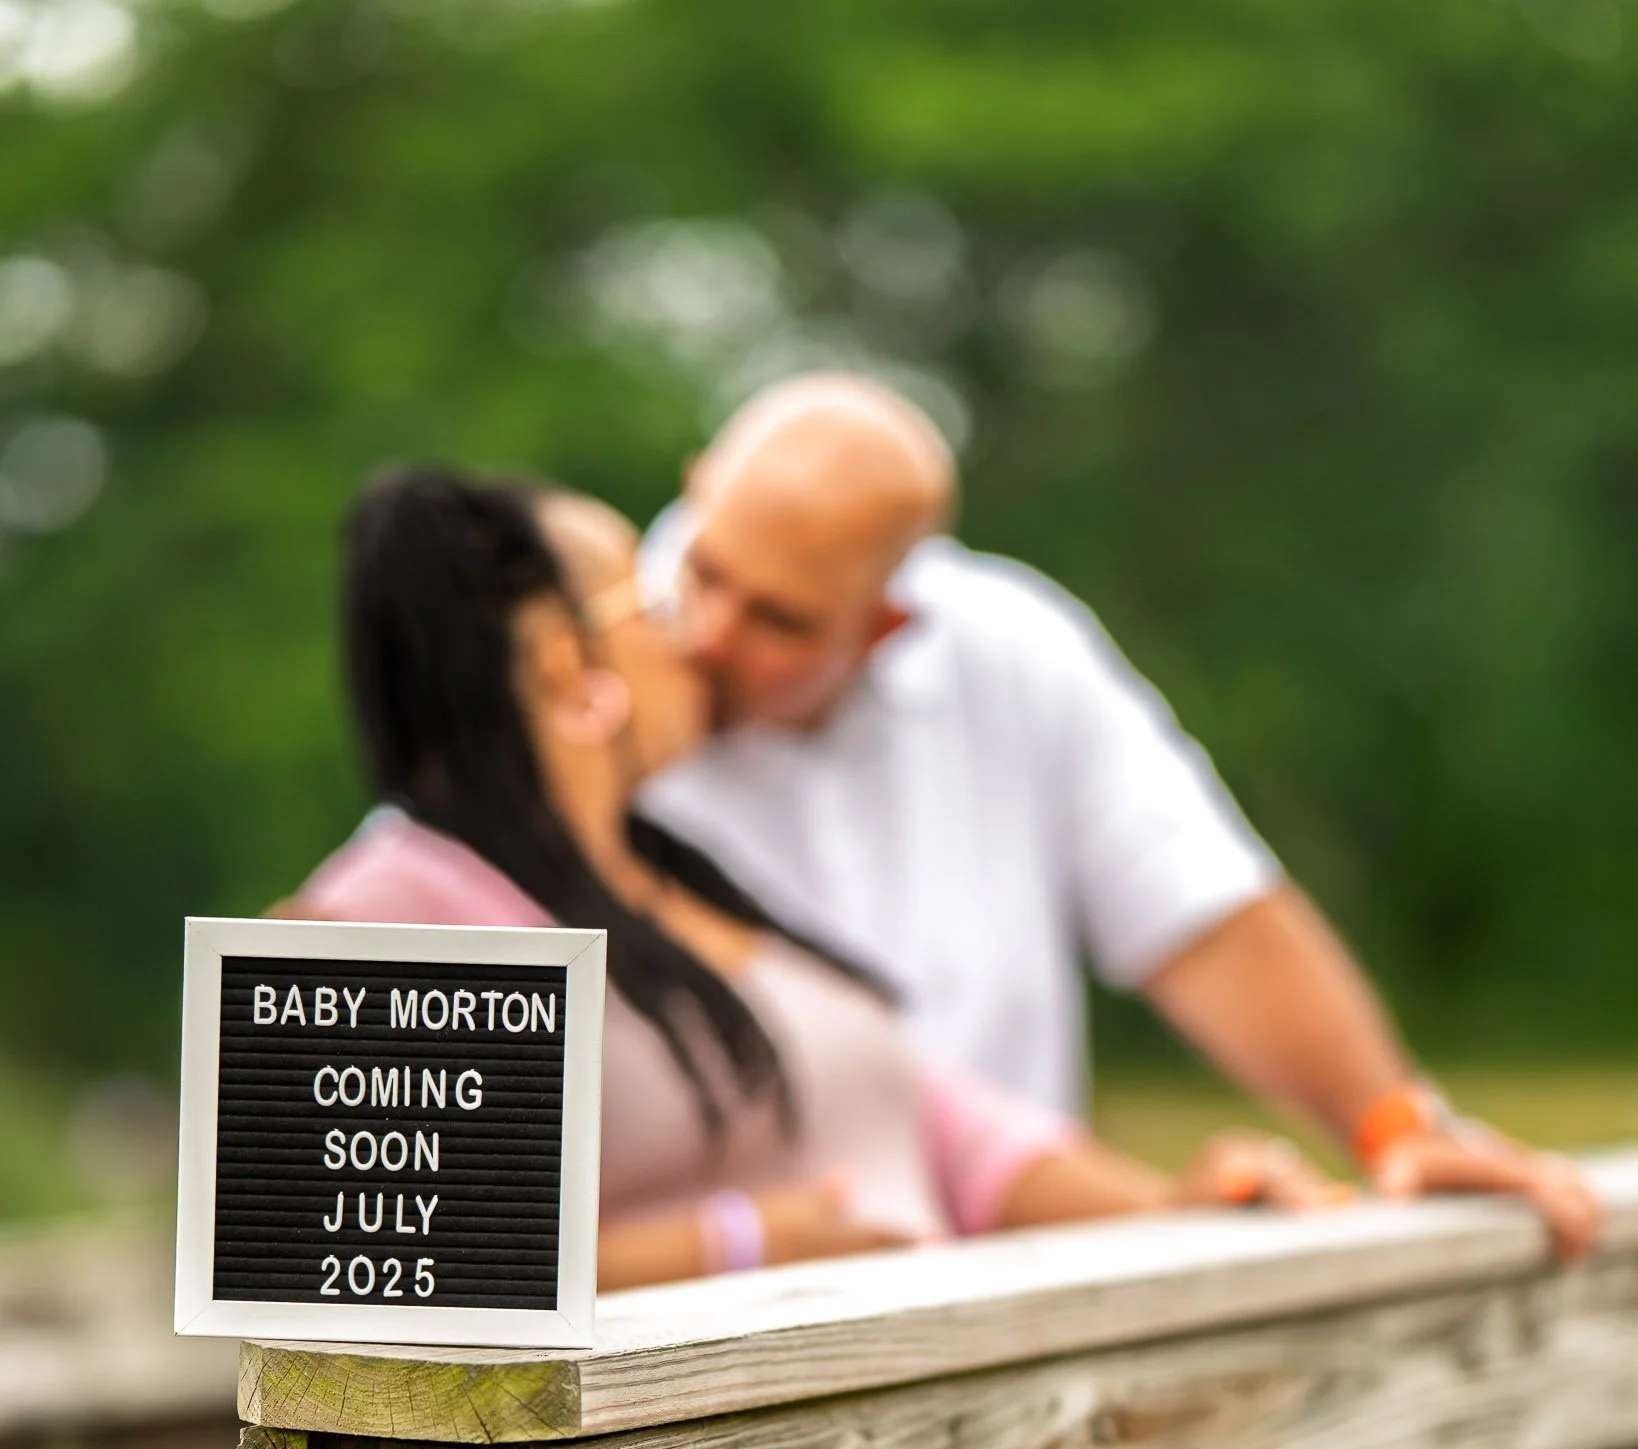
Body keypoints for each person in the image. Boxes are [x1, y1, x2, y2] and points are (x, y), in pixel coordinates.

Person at [284, 467, 1348, 1290]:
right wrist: (739, 1240)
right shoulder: (404, 901)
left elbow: (942, 1127)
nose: (693, 639)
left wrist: (1167, 1213)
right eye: (652, 609)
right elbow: (349, 1255)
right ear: (572, 671)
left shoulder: (681, 880)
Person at [632, 374, 1600, 1257]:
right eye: (706, 573)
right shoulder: (589, 665)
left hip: (1010, 1272)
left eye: (782, 622)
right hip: (721, 1318)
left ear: (886, 621)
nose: (711, 636)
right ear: (699, 484)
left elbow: (1205, 913)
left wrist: (1397, 1126)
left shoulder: (1012, 646)